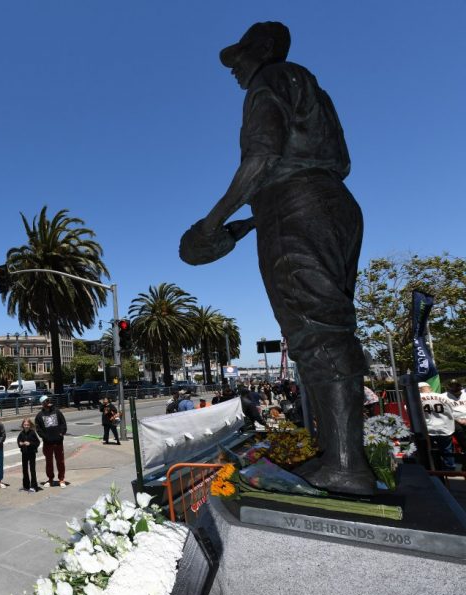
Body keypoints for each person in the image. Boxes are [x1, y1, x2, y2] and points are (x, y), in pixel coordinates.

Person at [180, 21, 375, 494]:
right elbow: (321, 158)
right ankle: (337, 455)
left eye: (240, 57)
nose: (235, 70)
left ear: (262, 50)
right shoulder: (310, 87)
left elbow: (262, 158)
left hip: (296, 207)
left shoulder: (270, 80)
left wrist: (211, 222)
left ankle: (347, 466)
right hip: (329, 205)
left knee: (314, 331)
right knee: (328, 324)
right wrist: (247, 225)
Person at [419, 383, 457, 470]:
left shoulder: (417, 398)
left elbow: (407, 409)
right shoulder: (444, 397)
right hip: (445, 427)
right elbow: (453, 410)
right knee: (447, 450)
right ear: (430, 388)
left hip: (428, 428)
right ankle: (450, 468)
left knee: (430, 451)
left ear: (419, 389)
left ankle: (434, 468)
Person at [35, 396, 69, 487]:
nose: (49, 401)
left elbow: (63, 424)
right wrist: (45, 437)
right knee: (49, 462)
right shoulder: (39, 415)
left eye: (49, 400)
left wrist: (61, 434)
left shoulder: (57, 411)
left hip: (58, 442)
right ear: (43, 403)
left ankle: (61, 479)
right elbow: (38, 429)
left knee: (60, 461)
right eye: (46, 400)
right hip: (47, 443)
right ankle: (50, 479)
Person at [17, 418, 41, 492]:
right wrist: (20, 444)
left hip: (31, 453)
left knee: (32, 470)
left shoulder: (32, 433)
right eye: (25, 425)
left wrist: (30, 444)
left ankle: (34, 486)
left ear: (30, 425)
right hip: (24, 453)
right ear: (23, 425)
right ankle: (26, 485)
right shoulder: (21, 433)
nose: (26, 426)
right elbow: (19, 441)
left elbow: (38, 442)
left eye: (27, 425)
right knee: (24, 470)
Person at [443, 380, 466, 454]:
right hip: (453, 419)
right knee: (459, 430)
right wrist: (458, 420)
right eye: (452, 387)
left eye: (456, 386)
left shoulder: (464, 394)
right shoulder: (443, 396)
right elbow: (445, 411)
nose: (454, 388)